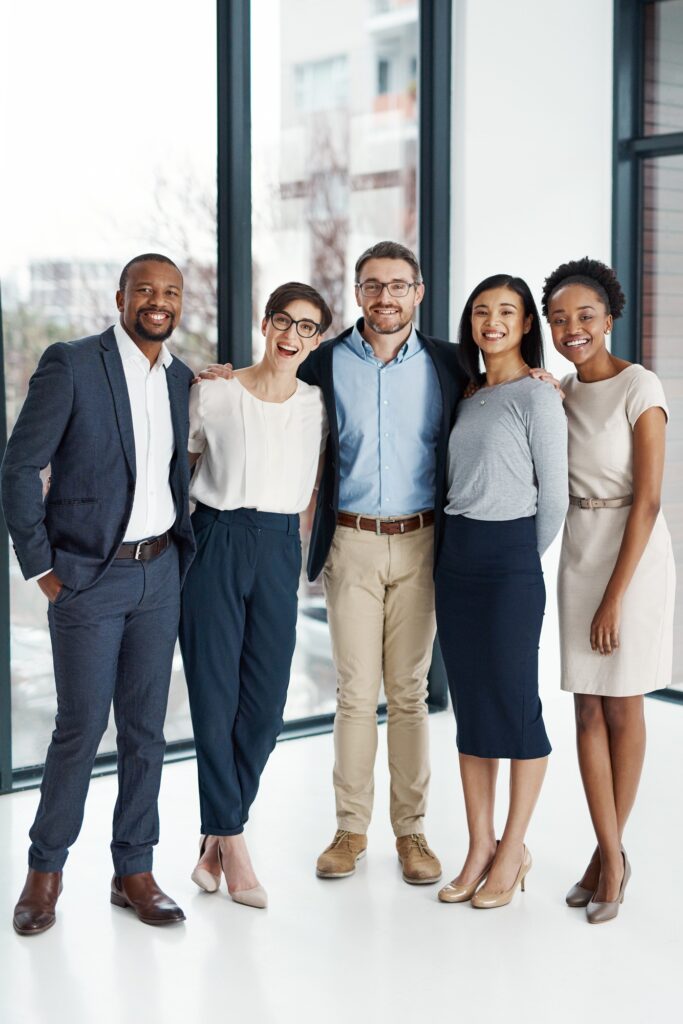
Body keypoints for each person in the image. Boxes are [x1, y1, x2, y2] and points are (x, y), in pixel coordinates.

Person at [200, 241, 468, 884]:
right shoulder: (322, 363)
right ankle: (350, 830)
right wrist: (218, 379)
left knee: (407, 693)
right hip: (349, 543)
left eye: (399, 285)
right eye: (373, 285)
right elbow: (270, 393)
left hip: (423, 543)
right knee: (355, 693)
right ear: (357, 294)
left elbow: (504, 387)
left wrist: (544, 377)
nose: (386, 297)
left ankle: (412, 834)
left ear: (419, 292)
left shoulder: (450, 364)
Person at [1, 254, 196, 934]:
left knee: (146, 732)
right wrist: (41, 568)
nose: (158, 301)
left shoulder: (181, 378)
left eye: (170, 291)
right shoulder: (73, 364)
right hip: (88, 577)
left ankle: (133, 870)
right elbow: (20, 466)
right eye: (145, 289)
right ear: (122, 297)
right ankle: (43, 873)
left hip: (159, 573)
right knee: (80, 729)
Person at [180, 282, 331, 908]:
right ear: (264, 324)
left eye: (307, 328)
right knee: (213, 699)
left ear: (317, 339)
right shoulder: (211, 393)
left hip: (277, 546)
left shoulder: (318, 404)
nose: (291, 336)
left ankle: (214, 837)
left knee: (265, 708)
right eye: (283, 322)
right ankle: (235, 846)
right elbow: (182, 468)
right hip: (215, 537)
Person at [542, 257, 674, 924]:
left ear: (609, 317)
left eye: (584, 316)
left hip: (634, 556)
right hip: (579, 551)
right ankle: (608, 851)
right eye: (559, 319)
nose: (572, 328)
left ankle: (609, 862)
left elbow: (648, 501)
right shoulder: (562, 391)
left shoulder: (639, 386)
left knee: (621, 705)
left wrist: (615, 597)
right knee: (584, 710)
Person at [435, 274, 567, 909]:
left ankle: (513, 850)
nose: (492, 322)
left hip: (510, 559)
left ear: (524, 325)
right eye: (482, 311)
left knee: (515, 705)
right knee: (472, 708)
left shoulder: (537, 397)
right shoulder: (466, 394)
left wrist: (518, 559)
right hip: (455, 557)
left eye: (506, 312)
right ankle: (478, 846)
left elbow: (556, 498)